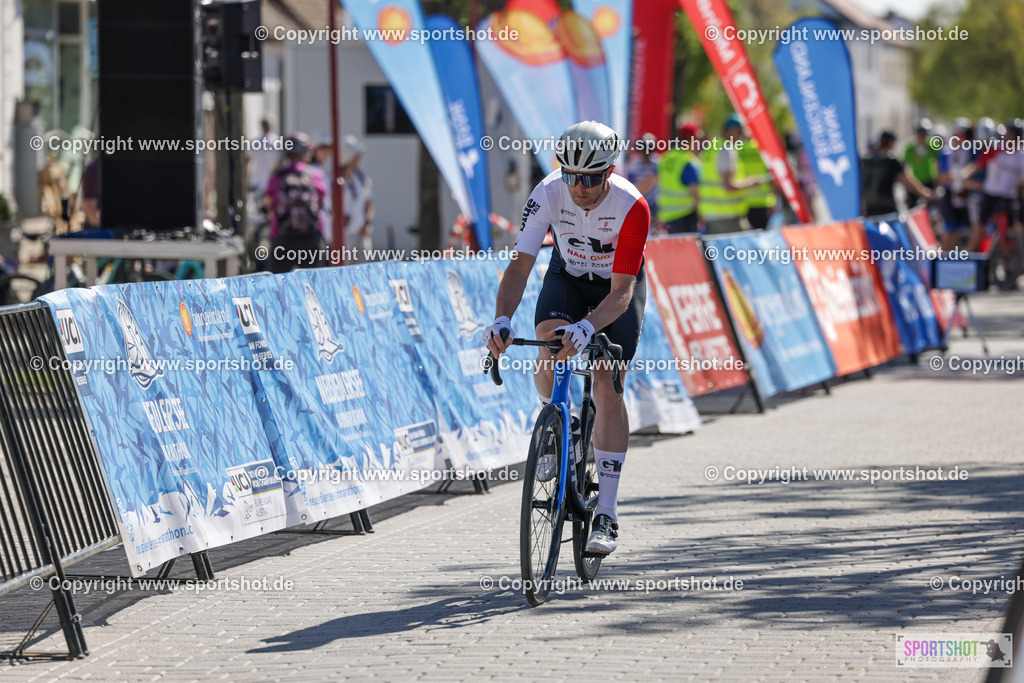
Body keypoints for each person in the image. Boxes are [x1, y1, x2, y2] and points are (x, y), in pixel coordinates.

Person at [483, 121, 650, 556]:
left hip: (616, 290)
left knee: (607, 383)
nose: (579, 187)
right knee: (550, 346)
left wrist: (588, 326)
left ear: (609, 172)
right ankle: (557, 426)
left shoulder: (632, 206)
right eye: (571, 175)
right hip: (568, 278)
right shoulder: (547, 192)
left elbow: (622, 293)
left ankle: (608, 514)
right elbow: (520, 266)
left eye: (590, 178)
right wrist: (502, 319)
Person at [263, 132, 327, 273]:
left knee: (279, 282)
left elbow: (269, 204)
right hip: (311, 238)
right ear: (306, 152)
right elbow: (321, 203)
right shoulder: (315, 174)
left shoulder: (278, 176)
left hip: (283, 237)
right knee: (312, 283)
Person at [962, 119, 1024, 252]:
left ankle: (1012, 260)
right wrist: (964, 174)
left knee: (1016, 228)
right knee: (979, 228)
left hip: (1009, 197)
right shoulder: (996, 150)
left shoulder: (1021, 157)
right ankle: (967, 257)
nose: (1010, 139)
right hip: (990, 195)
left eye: (1014, 137)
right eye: (1009, 135)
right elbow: (976, 166)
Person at [700, 115, 767, 234]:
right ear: (732, 130)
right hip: (728, 217)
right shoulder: (726, 149)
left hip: (711, 215)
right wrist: (751, 183)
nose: (741, 136)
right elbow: (729, 186)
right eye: (739, 132)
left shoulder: (711, 147)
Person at [861, 131, 933, 216]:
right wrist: (924, 193)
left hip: (869, 209)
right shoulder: (891, 160)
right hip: (887, 209)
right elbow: (907, 180)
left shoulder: (867, 161)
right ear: (891, 142)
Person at [656, 123, 701, 234]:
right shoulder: (689, 163)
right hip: (685, 217)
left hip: (666, 217)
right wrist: (702, 216)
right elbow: (696, 195)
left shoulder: (666, 157)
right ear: (692, 140)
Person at [340, 134, 374, 262]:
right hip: (344, 234)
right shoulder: (333, 179)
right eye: (355, 155)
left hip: (361, 232)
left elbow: (368, 202)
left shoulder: (362, 177)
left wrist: (368, 222)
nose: (358, 158)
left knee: (365, 269)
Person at [737, 138, 778, 230]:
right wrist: (774, 201)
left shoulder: (738, 148)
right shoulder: (763, 147)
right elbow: (772, 177)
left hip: (744, 201)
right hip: (763, 201)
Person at [626, 133, 660, 231]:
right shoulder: (634, 164)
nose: (646, 153)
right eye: (644, 149)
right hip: (639, 201)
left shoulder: (657, 163)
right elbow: (630, 185)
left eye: (649, 149)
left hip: (654, 204)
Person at [903, 119, 940, 196]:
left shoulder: (932, 145)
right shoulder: (909, 149)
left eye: (923, 134)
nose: (921, 137)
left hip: (929, 180)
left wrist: (938, 178)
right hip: (915, 182)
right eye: (919, 134)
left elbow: (937, 161)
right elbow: (905, 168)